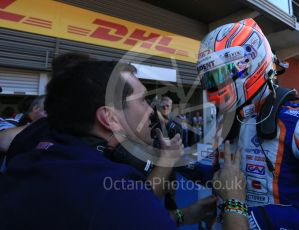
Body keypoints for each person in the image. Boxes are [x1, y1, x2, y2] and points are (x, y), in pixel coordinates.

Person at [197, 18, 299, 229]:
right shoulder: (224, 121)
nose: (212, 86)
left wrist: (270, 220)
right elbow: (217, 176)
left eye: (217, 76)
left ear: (248, 65)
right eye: (207, 80)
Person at [0, 55, 180, 229]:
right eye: (142, 100)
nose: (151, 111)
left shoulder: (36, 148)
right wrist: (167, 162)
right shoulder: (112, 194)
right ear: (109, 117)